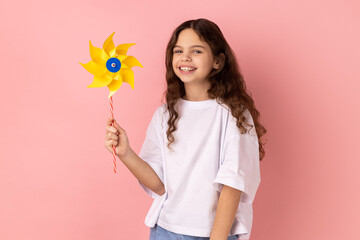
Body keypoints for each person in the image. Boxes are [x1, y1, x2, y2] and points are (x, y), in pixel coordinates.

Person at [105, 18, 267, 240]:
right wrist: (125, 153)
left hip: (213, 234)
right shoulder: (164, 115)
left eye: (197, 51)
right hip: (165, 230)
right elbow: (159, 185)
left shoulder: (234, 115)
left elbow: (233, 183)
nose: (185, 58)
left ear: (218, 61)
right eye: (178, 50)